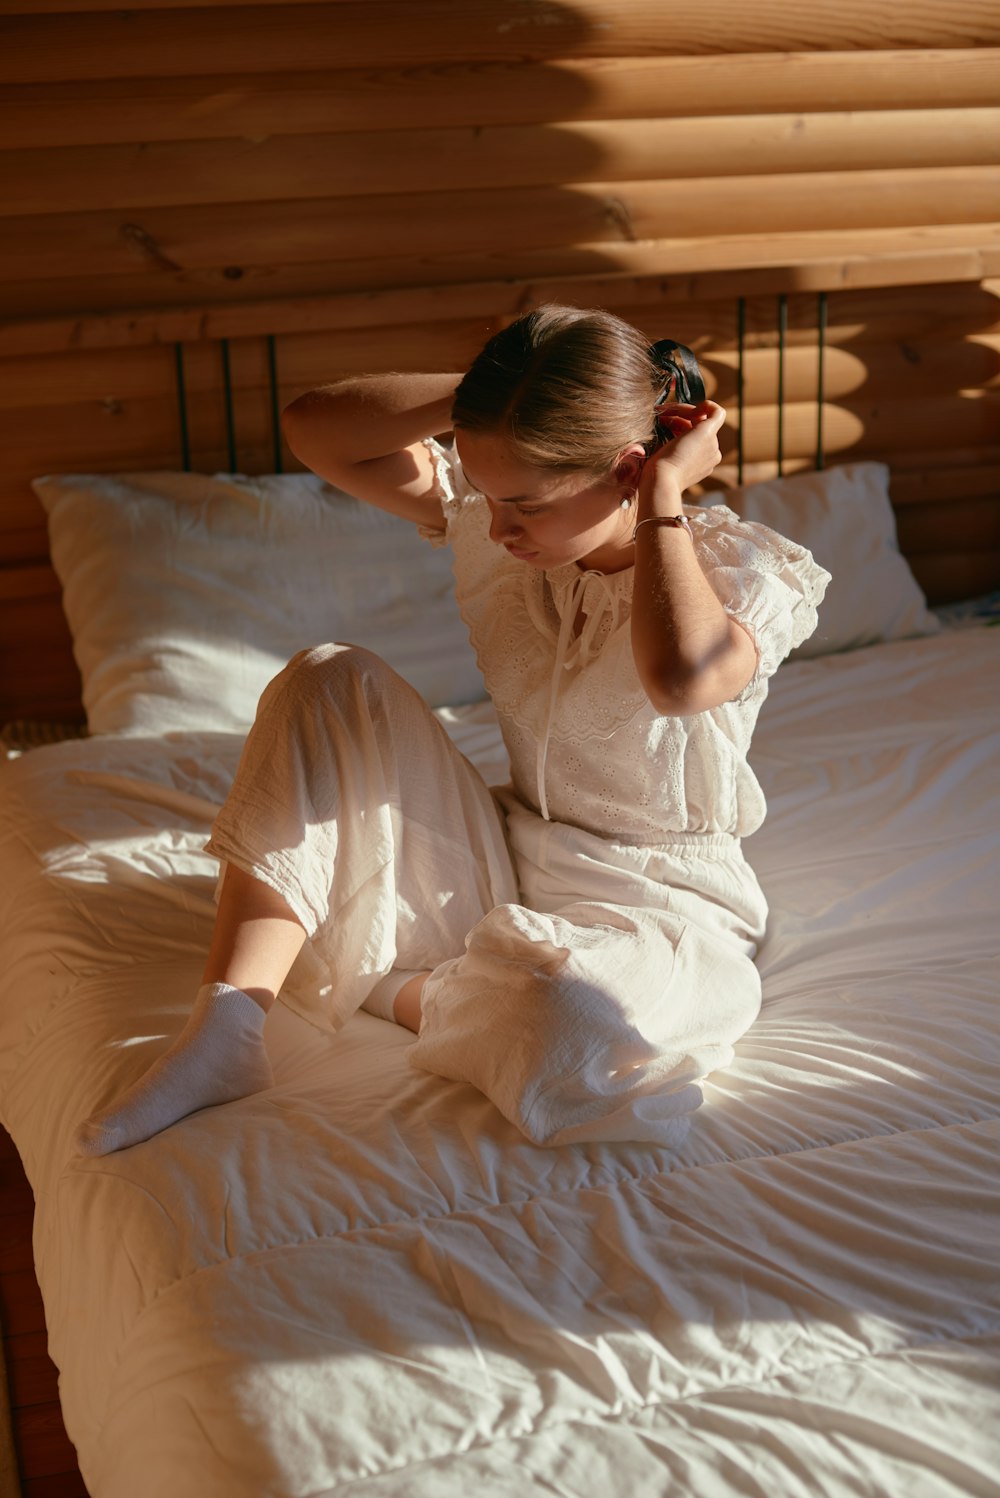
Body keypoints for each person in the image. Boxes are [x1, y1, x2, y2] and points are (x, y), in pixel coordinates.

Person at [76, 304, 829, 1156]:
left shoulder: (746, 570)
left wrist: (662, 492)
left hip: (666, 912)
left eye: (526, 505)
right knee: (329, 677)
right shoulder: (494, 525)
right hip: (500, 857)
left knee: (571, 1017)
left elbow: (682, 678)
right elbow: (318, 433)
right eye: (491, 494)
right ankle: (227, 1031)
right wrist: (498, 396)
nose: (499, 529)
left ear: (625, 468)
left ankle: (394, 984)